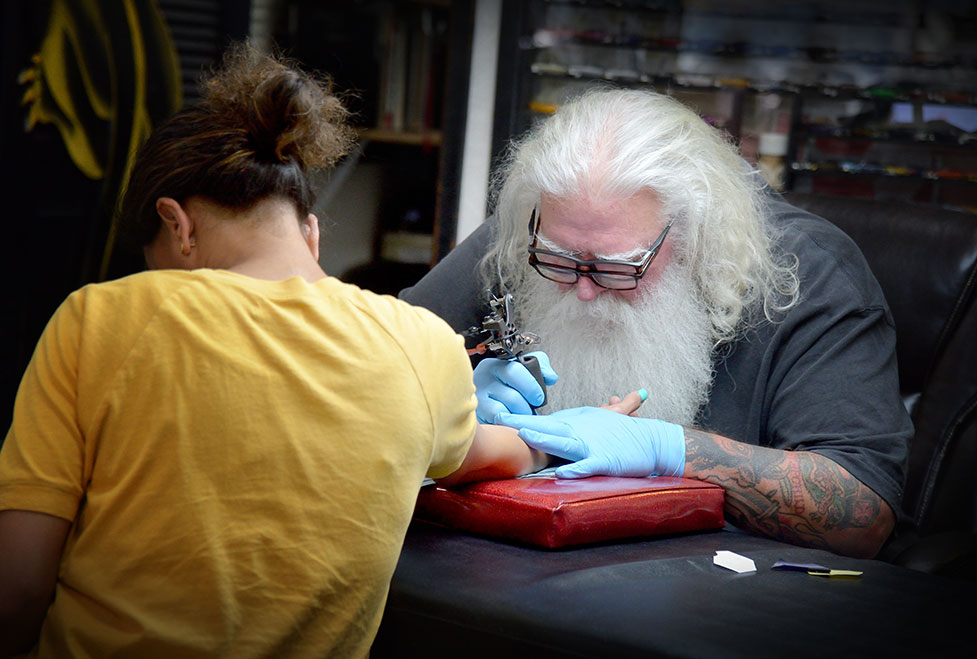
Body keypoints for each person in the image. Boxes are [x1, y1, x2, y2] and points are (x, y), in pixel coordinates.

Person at [0, 43, 625, 657]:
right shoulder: (422, 345)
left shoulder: (99, 319)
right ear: (312, 232)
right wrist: (586, 430)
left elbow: (17, 592)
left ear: (177, 225)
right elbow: (504, 453)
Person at [400, 87, 913, 559]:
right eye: (558, 263)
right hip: (518, 560)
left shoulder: (815, 274)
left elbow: (864, 514)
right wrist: (454, 391)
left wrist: (670, 451)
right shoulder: (538, 232)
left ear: (696, 232)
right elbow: (380, 368)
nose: (584, 288)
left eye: (617, 269)